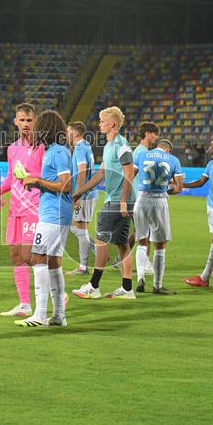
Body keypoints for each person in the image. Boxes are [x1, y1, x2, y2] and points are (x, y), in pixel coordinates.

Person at [15, 110, 74, 327]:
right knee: (53, 262)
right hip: (56, 213)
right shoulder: (55, 150)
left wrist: (38, 180)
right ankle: (58, 315)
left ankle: (40, 314)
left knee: (37, 258)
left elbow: (66, 185)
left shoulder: (57, 152)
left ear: (46, 128)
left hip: (54, 214)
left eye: (39, 125)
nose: (36, 129)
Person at [71, 106, 137, 300]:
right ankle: (127, 288)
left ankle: (93, 286)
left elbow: (130, 172)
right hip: (118, 200)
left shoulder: (121, 145)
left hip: (117, 200)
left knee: (101, 242)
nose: (99, 124)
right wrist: (79, 192)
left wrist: (124, 201)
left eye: (102, 121)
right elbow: (101, 174)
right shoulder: (109, 146)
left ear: (113, 124)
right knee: (122, 243)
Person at [0, 103, 44, 318]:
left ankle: (56, 294)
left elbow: (45, 177)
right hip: (15, 209)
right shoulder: (12, 148)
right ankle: (24, 304)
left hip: (34, 207)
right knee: (16, 255)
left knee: (31, 256)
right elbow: (12, 178)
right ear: (15, 121)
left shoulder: (42, 147)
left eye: (29, 120)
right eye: (21, 120)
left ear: (36, 121)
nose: (25, 124)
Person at [133, 138, 184, 294]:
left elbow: (129, 175)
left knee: (142, 241)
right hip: (159, 201)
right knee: (160, 245)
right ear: (168, 150)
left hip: (141, 199)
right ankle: (157, 285)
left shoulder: (142, 156)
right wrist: (166, 192)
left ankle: (140, 276)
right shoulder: (174, 160)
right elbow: (179, 187)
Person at [183, 139, 213, 287]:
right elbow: (200, 182)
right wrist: (182, 185)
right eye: (211, 145)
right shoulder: (211, 164)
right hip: (211, 205)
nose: (212, 148)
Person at [130, 123, 160, 280]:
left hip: (139, 196)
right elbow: (132, 174)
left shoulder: (143, 152)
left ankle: (121, 257)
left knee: (139, 232)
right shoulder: (141, 153)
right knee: (145, 232)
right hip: (139, 196)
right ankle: (145, 264)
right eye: (154, 134)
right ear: (147, 134)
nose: (156, 137)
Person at [66, 121, 97, 275]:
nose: (66, 135)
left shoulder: (79, 148)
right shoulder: (86, 146)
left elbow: (82, 171)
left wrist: (78, 194)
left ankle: (83, 267)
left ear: (75, 133)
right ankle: (97, 249)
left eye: (68, 131)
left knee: (80, 227)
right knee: (72, 225)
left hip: (84, 195)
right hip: (88, 194)